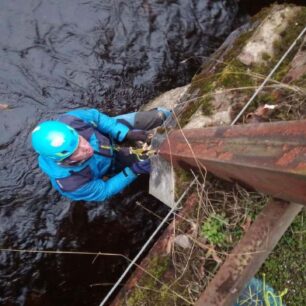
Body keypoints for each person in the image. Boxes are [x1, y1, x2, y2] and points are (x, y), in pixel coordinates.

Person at [31, 108, 171, 202]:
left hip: (108, 135)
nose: (86, 148)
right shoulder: (72, 183)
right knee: (154, 161)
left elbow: (95, 117)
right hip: (111, 164)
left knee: (162, 114)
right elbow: (103, 191)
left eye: (80, 140)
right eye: (76, 152)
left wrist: (125, 133)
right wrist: (133, 171)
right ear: (64, 161)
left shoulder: (71, 121)